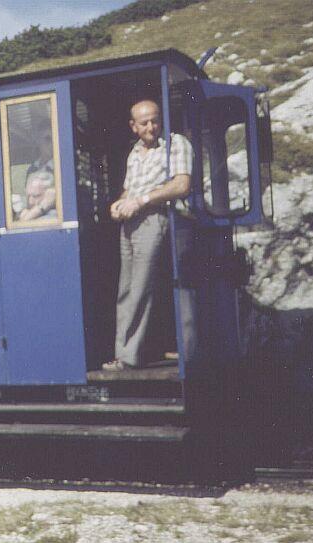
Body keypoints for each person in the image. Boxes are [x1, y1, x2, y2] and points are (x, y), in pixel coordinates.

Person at [102, 99, 192, 371]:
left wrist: (140, 201)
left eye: (155, 120)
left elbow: (181, 185)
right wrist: (118, 204)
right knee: (126, 288)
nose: (151, 127)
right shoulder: (135, 152)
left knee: (140, 287)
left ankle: (128, 357)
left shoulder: (176, 144)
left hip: (155, 217)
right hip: (130, 222)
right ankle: (125, 352)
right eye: (144, 123)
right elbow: (128, 191)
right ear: (133, 126)